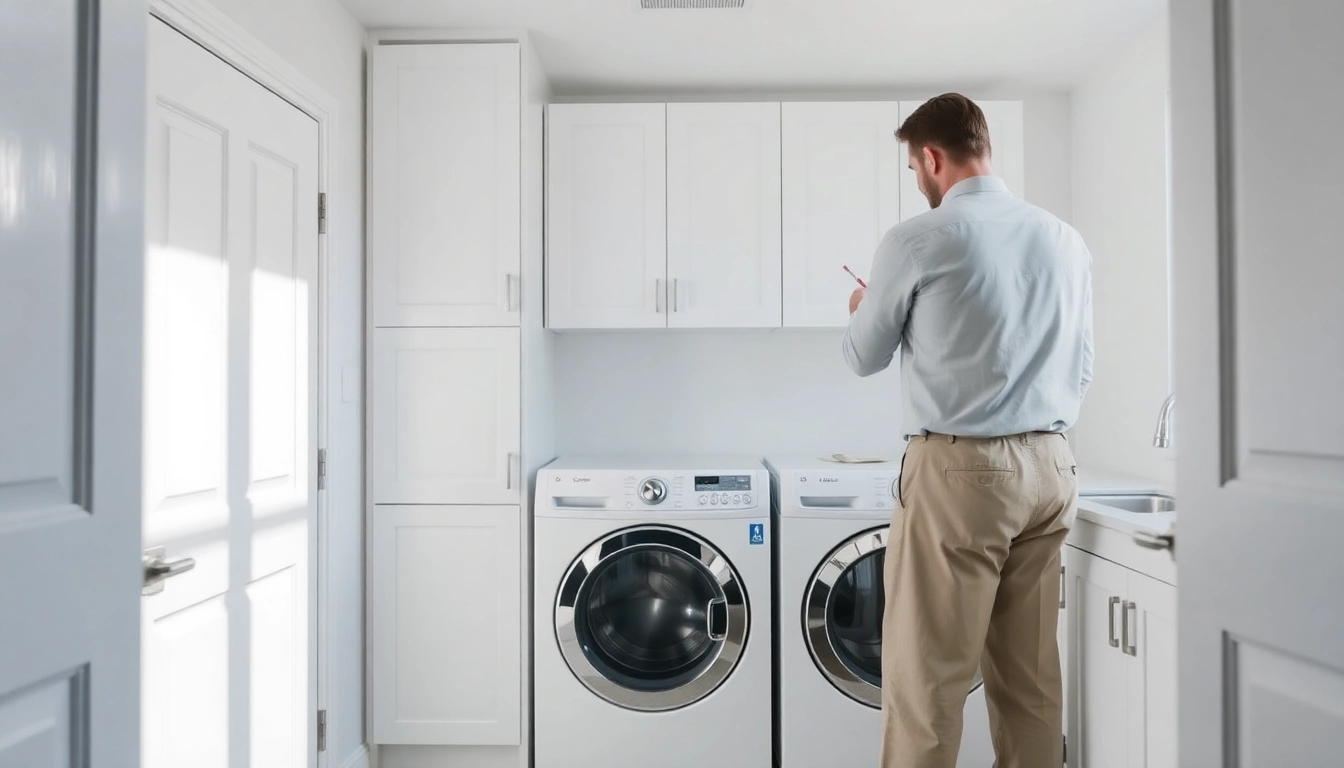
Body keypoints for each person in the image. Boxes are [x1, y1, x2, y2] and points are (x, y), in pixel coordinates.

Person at [843, 93, 1093, 768]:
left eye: (913, 166)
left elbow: (863, 356)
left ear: (931, 156)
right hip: (1053, 467)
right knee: (1030, 682)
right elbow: (1083, 362)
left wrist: (863, 305)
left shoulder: (918, 239)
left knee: (928, 681)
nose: (917, 180)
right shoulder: (1064, 238)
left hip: (961, 477)